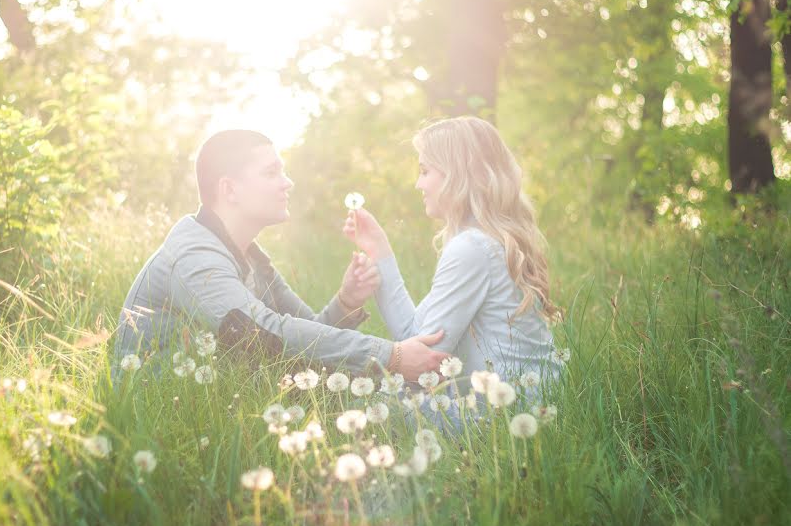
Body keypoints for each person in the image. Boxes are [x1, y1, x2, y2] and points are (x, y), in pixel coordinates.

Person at [112, 129, 449, 382]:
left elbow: (302, 339)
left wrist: (345, 302)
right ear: (229, 190)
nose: (287, 183)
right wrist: (391, 356)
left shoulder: (252, 258)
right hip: (166, 422)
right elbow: (264, 334)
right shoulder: (195, 258)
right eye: (271, 173)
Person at [343, 116, 562, 418]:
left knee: (363, 409)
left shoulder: (472, 248)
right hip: (530, 404)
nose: (418, 183)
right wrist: (380, 251)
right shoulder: (485, 242)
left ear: (457, 174)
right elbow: (416, 336)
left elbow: (425, 363)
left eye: (425, 171)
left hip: (502, 418)